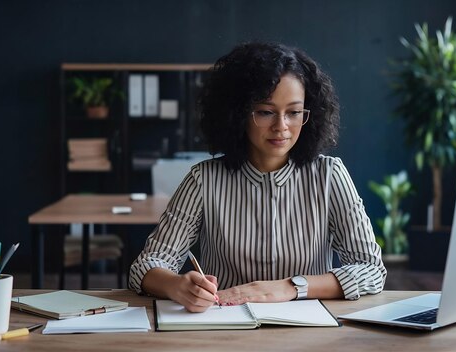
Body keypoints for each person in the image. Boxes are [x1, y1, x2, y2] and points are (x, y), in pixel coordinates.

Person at [129, 42, 386, 312]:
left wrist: (290, 287)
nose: (281, 126)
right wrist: (177, 286)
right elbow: (146, 266)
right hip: (226, 327)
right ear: (237, 113)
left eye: (294, 112)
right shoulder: (203, 180)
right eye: (265, 112)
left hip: (309, 332)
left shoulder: (330, 176)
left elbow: (371, 269)